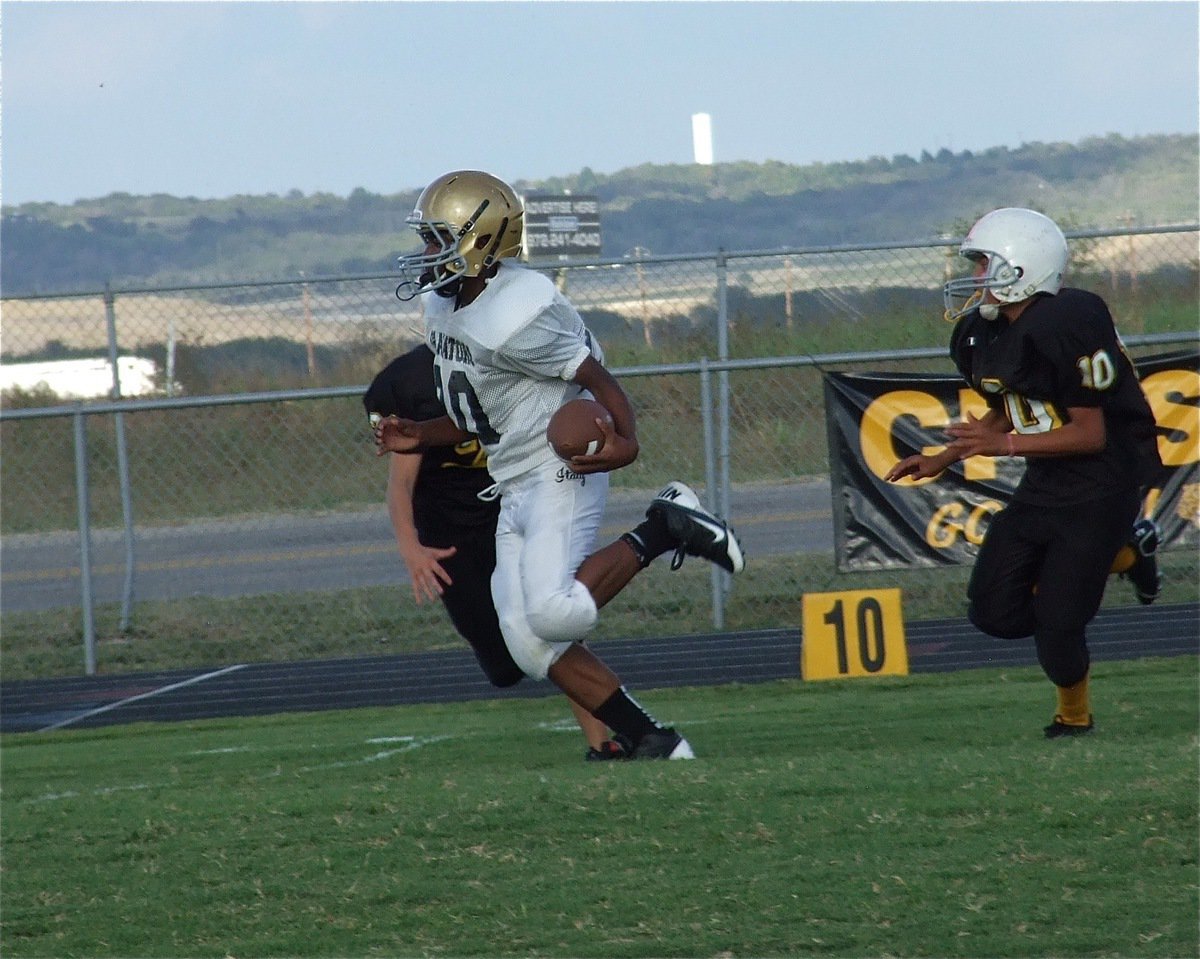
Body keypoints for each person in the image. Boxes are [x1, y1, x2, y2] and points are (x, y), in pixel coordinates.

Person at [375, 170, 745, 760]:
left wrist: (627, 439)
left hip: (557, 466)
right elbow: (484, 414)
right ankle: (652, 738)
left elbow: (596, 378)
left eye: (437, 237)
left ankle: (665, 524)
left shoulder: (520, 310)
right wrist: (419, 433)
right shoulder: (444, 305)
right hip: (512, 477)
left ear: (481, 238)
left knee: (552, 611)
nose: (427, 253)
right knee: (525, 644)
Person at [884, 207, 1162, 739]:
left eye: (986, 263)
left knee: (1058, 627)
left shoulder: (1070, 320)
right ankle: (1127, 552)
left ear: (1023, 267)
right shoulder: (983, 333)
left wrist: (1003, 444)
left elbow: (1091, 433)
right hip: (1047, 479)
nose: (977, 276)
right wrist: (948, 455)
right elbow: (1015, 398)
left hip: (1104, 481)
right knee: (994, 613)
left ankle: (1073, 718)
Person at [364, 345, 627, 761]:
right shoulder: (414, 382)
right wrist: (410, 548)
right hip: (450, 531)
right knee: (505, 666)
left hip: (514, 503)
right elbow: (400, 484)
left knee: (555, 622)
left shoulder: (513, 355)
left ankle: (605, 742)